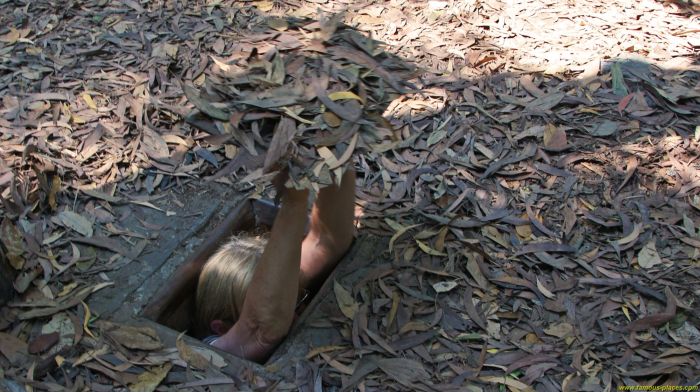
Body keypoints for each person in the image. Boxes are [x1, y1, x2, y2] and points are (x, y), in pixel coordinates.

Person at [195, 168, 356, 362]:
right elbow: (263, 328)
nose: (301, 309)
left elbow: (326, 241)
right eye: (287, 306)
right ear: (223, 328)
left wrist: (336, 156)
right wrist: (293, 202)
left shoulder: (281, 284)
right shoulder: (215, 350)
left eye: (295, 298)